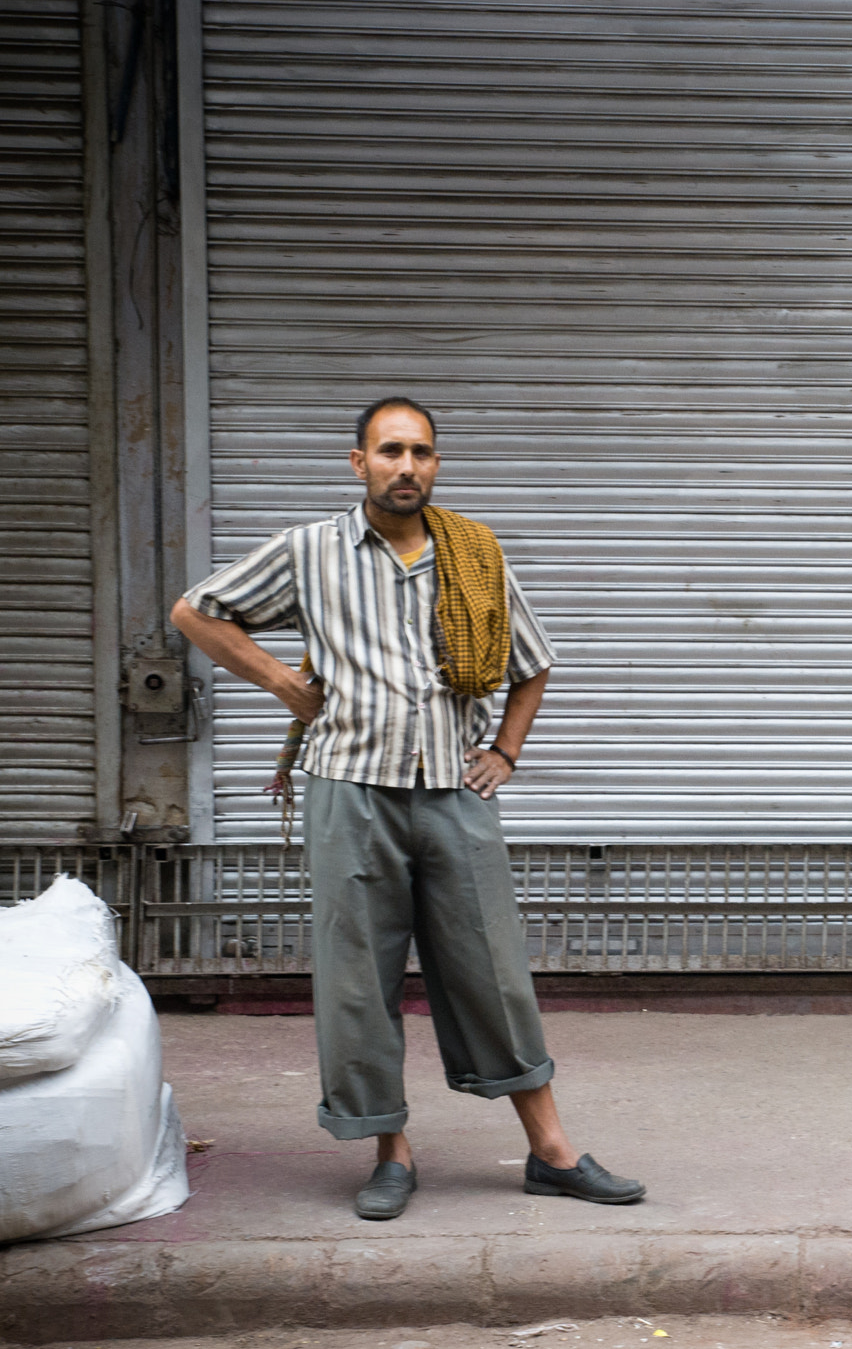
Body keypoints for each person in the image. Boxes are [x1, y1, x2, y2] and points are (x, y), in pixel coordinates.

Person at [170, 397, 643, 1220]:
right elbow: (195, 612)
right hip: (349, 788)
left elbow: (532, 664)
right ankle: (390, 1150)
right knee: (360, 977)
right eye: (390, 451)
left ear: (434, 464)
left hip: (452, 795)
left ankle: (552, 1151)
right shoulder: (310, 552)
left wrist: (504, 754)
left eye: (421, 452)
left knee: (492, 968)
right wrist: (282, 681)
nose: (407, 467)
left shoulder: (473, 556)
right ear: (358, 463)